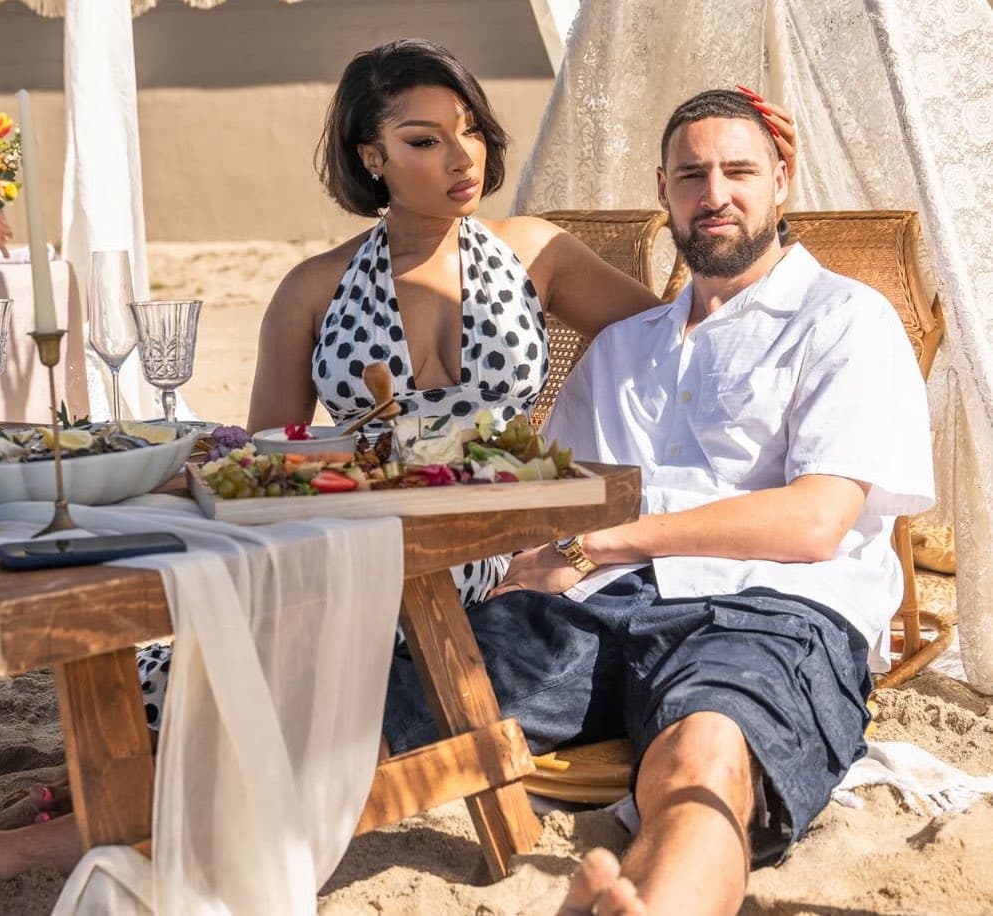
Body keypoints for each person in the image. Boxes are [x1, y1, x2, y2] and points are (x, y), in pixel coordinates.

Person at [0, 59, 799, 892]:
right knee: (210, 675)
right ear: (371, 156)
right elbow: (261, 465)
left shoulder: (535, 250)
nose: (461, 157)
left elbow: (687, 333)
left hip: (493, 558)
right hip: (358, 539)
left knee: (267, 699)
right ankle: (41, 819)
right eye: (424, 140)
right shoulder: (313, 287)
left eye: (469, 132)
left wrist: (767, 208)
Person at [383, 88, 933, 915]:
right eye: (692, 175)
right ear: (663, 191)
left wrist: (604, 544)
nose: (716, 194)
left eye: (740, 171)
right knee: (378, 707)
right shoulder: (622, 348)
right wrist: (517, 555)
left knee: (704, 761)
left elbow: (815, 522)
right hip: (591, 608)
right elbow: (560, 498)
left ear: (782, 182)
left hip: (766, 609)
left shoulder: (844, 319)